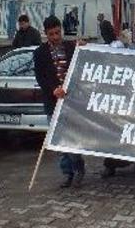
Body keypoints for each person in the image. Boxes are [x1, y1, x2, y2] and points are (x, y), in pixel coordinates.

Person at [33, 15, 85, 187]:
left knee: (72, 139)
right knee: (58, 141)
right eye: (51, 34)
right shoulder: (39, 53)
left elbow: (82, 67)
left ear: (61, 30)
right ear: (45, 33)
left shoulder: (72, 48)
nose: (55, 37)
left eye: (57, 33)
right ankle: (67, 173)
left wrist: (85, 49)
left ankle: (78, 168)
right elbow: (41, 77)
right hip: (52, 102)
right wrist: (53, 89)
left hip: (71, 103)